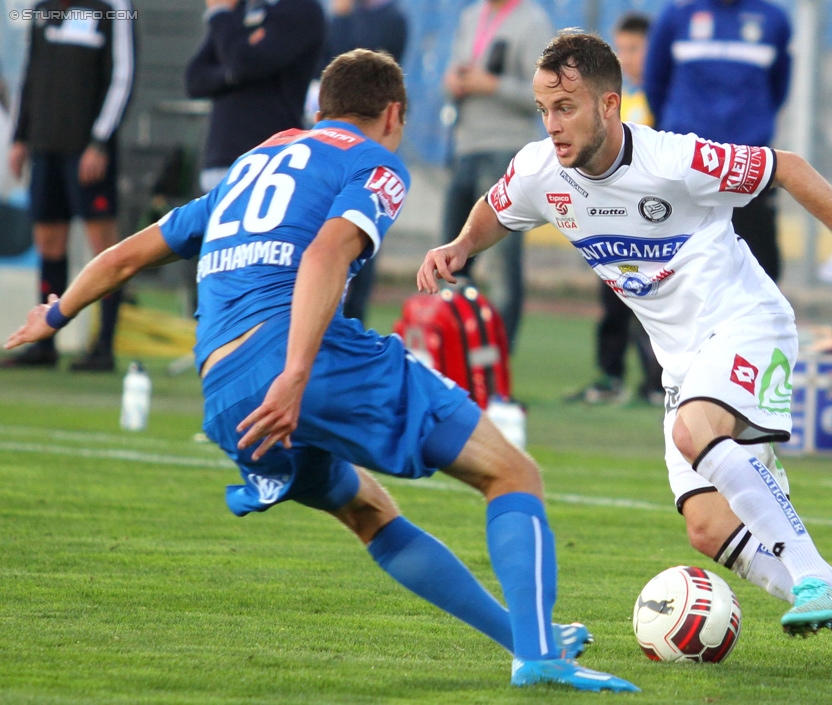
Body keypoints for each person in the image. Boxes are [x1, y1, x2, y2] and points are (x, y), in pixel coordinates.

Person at [5, 49, 637, 694]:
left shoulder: (251, 166)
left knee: (368, 512)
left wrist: (55, 319)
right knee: (512, 472)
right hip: (298, 364)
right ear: (394, 113)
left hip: (223, 392)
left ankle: (527, 636)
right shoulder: (373, 162)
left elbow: (126, 255)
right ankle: (540, 657)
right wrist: (295, 375)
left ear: (319, 109)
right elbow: (327, 251)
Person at [418, 32, 832, 670]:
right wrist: (462, 246)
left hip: (747, 324)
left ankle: (812, 579)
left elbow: (788, 167)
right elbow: (499, 207)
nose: (552, 125)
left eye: (567, 107)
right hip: (682, 362)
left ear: (610, 105)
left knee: (696, 431)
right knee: (710, 529)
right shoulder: (539, 169)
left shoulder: (676, 160)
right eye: (545, 109)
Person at [3, 0, 136, 372]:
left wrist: (100, 141)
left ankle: (103, 346)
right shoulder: (43, 8)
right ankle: (44, 342)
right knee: (48, 242)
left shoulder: (113, 8)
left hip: (87, 151)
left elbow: (123, 75)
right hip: (45, 144)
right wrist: (20, 136)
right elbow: (30, 74)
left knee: (103, 245)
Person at [644, 0, 791, 283]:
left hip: (748, 165)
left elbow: (778, 86)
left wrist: (750, 128)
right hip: (685, 167)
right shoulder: (677, 14)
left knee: (760, 269)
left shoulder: (773, 19)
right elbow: (655, 81)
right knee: (668, 270)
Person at [441, 0, 554, 351]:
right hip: (466, 146)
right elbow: (454, 72)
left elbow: (544, 91)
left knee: (504, 268)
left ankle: (497, 365)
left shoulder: (534, 22)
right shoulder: (471, 16)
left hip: (507, 150)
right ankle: (452, 353)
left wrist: (490, 85)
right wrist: (453, 82)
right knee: (452, 259)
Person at [567, 12, 663, 405]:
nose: (625, 57)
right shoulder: (612, 103)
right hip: (611, 213)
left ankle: (659, 382)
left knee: (653, 302)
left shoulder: (661, 98)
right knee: (612, 299)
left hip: (652, 215)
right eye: (619, 49)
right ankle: (611, 376)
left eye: (634, 48)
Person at [321, 0, 408, 324]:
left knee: (358, 234)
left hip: (365, 145)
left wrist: (341, 19)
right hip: (331, 143)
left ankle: (350, 320)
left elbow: (353, 81)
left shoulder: (391, 19)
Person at [185, 0, 326, 193]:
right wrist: (232, 73)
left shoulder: (300, 9)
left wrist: (220, 15)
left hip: (270, 162)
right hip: (220, 162)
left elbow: (246, 63)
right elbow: (195, 79)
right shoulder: (239, 9)